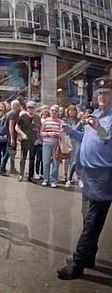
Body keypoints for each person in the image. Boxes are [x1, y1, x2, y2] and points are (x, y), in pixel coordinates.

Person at [57, 77, 112, 280]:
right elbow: (87, 138)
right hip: (88, 173)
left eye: (106, 93)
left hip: (103, 175)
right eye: (100, 93)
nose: (102, 97)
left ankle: (78, 264)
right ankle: (88, 256)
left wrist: (98, 127)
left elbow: (106, 137)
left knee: (92, 221)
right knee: (87, 217)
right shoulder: (96, 113)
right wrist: (71, 131)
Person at [15, 101, 40, 182]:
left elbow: (39, 129)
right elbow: (17, 127)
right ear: (27, 108)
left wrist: (38, 138)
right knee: (23, 157)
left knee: (32, 158)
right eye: (29, 107)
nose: (31, 109)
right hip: (25, 140)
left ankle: (30, 176)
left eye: (32, 107)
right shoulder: (23, 116)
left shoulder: (37, 117)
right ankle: (21, 175)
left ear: (35, 108)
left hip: (34, 140)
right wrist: (22, 134)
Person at [41, 104, 65, 187]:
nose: (54, 112)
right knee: (46, 162)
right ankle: (45, 179)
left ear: (58, 112)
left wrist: (57, 134)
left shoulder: (61, 122)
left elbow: (63, 133)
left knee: (56, 163)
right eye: (52, 110)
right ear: (50, 111)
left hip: (56, 144)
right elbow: (41, 133)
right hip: (46, 143)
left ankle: (54, 181)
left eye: (56, 111)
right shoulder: (45, 121)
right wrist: (48, 134)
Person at [0, 100, 22, 176]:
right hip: (10, 136)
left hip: (11, 136)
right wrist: (12, 138)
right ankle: (2, 169)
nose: (19, 106)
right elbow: (11, 126)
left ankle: (10, 168)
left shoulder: (12, 113)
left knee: (10, 152)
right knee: (8, 153)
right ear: (15, 106)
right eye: (18, 105)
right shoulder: (13, 114)